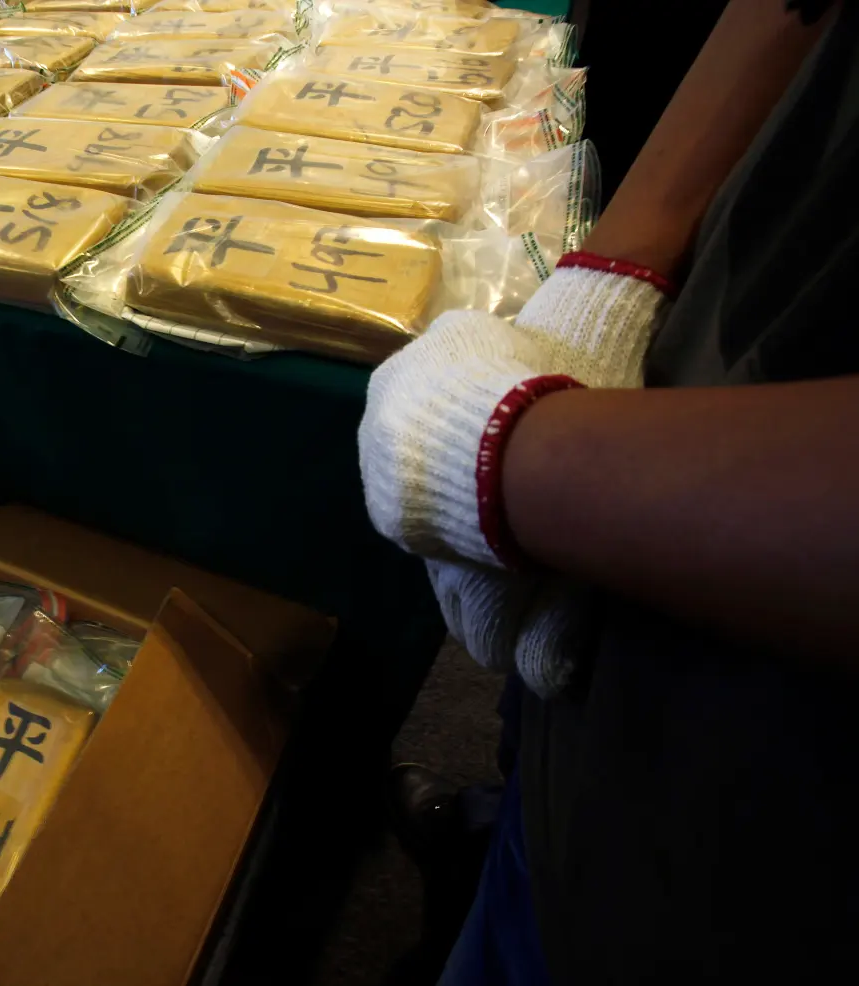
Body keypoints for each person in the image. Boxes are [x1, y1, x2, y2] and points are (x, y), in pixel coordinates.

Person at [357, 0, 858, 982]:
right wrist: (614, 271)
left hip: (783, 839)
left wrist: (504, 455)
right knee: (555, 739)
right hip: (661, 453)